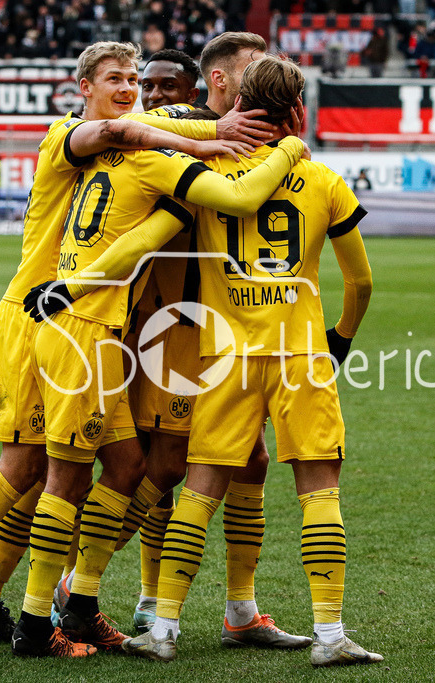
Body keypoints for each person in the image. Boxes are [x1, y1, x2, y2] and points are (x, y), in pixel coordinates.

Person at [0, 39, 279, 656]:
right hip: (44, 313)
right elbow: (120, 131)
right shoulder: (68, 137)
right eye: (118, 78)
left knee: (108, 469)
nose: (132, 89)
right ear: (82, 87)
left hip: (90, 320)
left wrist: (203, 135)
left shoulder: (126, 150)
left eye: (138, 79)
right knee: (30, 470)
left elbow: (137, 138)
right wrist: (214, 134)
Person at [11, 41, 306, 659]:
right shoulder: (163, 135)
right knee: (144, 468)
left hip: (220, 330)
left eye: (149, 84)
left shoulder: (189, 133)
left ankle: (232, 607)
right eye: (132, 83)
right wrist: (256, 144)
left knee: (230, 463)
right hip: (159, 328)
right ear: (224, 79)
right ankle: (67, 601)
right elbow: (187, 204)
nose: (146, 95)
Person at [99, 55, 383, 668]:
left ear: (239, 107)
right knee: (319, 488)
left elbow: (146, 240)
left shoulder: (209, 176)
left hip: (223, 355)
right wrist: (338, 340)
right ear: (300, 112)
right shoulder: (325, 180)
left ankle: (164, 627)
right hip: (301, 354)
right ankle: (330, 635)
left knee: (200, 491)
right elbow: (360, 282)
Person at [99, 35, 309, 649]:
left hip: (236, 333)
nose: (267, 80)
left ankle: (239, 610)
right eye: (253, 71)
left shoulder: (242, 145)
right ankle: (78, 586)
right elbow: (137, 129)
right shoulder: (183, 133)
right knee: (162, 467)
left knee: (250, 461)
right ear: (221, 83)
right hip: (176, 328)